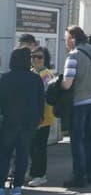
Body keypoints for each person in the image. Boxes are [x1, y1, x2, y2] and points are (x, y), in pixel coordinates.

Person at [60, 25, 91, 189]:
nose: (66, 42)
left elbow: (67, 84)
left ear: (73, 39)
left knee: (77, 140)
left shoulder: (73, 56)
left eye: (67, 38)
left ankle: (79, 175)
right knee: (90, 138)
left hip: (79, 103)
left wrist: (56, 84)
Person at [0, 48, 44, 195]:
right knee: (22, 153)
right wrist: (39, 117)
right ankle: (17, 186)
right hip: (29, 123)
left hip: (9, 122)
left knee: (4, 154)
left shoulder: (4, 78)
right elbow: (40, 101)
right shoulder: (35, 79)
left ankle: (0, 187)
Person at [27, 46, 55, 186]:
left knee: (39, 147)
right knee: (32, 146)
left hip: (44, 116)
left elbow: (45, 96)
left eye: (39, 57)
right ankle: (34, 172)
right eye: (33, 56)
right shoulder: (32, 72)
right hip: (32, 116)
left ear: (45, 59)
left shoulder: (47, 74)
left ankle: (40, 174)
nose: (35, 59)